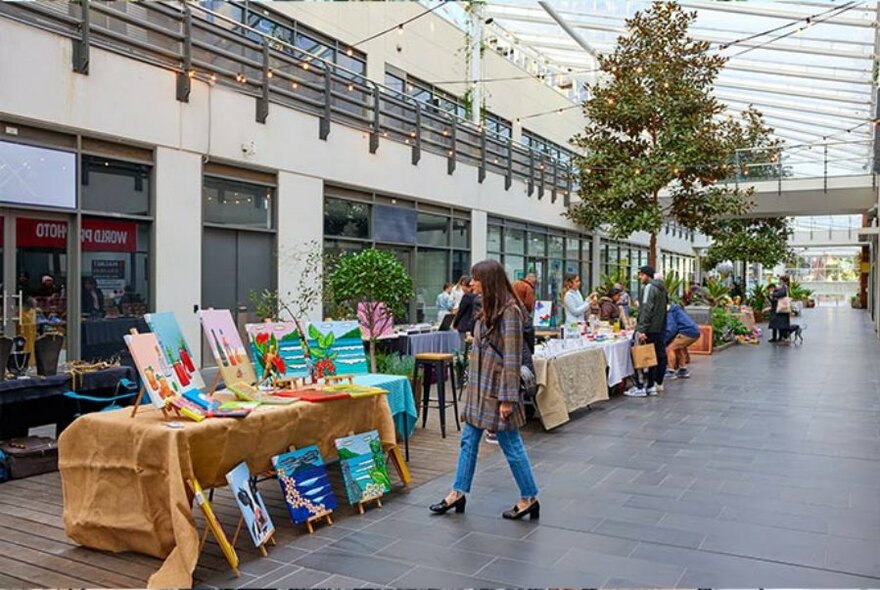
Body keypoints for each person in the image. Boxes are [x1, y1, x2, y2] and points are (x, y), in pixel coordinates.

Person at [429, 259, 539, 520]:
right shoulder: (487, 307)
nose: (472, 282)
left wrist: (508, 399)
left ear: (488, 281)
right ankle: (457, 493)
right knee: (468, 441)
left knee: (511, 445)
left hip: (496, 390)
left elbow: (512, 356)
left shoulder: (510, 311)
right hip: (479, 388)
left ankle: (529, 497)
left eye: (476, 278)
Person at [625, 265, 668, 397]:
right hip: (659, 328)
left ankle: (639, 386)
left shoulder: (649, 287)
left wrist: (641, 329)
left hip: (648, 328)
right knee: (652, 357)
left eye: (641, 275)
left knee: (640, 355)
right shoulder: (662, 288)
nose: (639, 277)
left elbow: (646, 308)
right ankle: (651, 386)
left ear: (647, 275)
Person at [664, 303, 700, 379]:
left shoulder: (670, 312)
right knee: (679, 348)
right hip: (693, 331)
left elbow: (671, 329)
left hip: (687, 332)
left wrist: (664, 340)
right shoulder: (677, 310)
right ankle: (683, 370)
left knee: (669, 348)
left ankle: (670, 371)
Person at [452, 276, 479, 347]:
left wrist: (455, 323)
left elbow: (460, 312)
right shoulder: (477, 296)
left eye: (463, 286)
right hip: (473, 326)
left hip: (464, 325)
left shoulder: (466, 296)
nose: (462, 288)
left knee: (463, 347)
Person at [768, 276, 791, 344]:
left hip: (780, 308)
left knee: (778, 324)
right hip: (778, 308)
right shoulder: (782, 287)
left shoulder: (784, 287)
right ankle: (778, 337)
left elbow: (781, 294)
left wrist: (773, 294)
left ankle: (779, 337)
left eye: (781, 280)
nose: (780, 281)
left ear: (784, 281)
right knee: (778, 324)